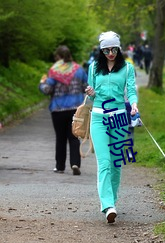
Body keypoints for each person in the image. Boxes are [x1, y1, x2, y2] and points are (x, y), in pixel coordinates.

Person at [85, 31, 138, 223]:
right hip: (98, 118)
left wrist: (133, 104)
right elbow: (91, 97)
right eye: (106, 50)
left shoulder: (127, 68)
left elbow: (131, 90)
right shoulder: (93, 68)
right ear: (101, 50)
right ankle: (107, 205)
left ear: (119, 48)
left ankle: (113, 201)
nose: (110, 53)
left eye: (114, 49)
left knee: (116, 164)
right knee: (104, 162)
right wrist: (90, 92)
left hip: (119, 119)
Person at [39, 45, 88, 175]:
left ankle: (60, 166)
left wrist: (42, 83)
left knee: (60, 138)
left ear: (58, 57)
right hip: (75, 109)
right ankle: (75, 163)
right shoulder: (79, 70)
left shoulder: (54, 71)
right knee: (74, 137)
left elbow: (47, 90)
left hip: (58, 109)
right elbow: (86, 87)